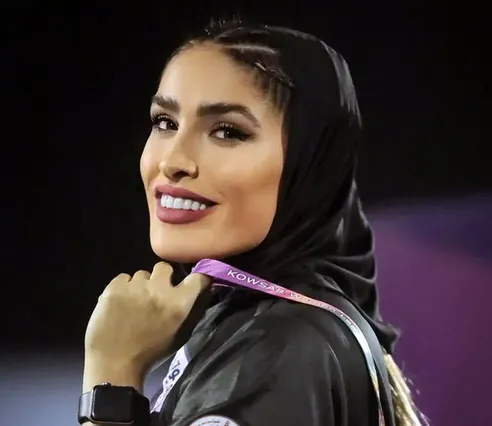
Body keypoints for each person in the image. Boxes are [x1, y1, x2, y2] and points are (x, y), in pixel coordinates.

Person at [81, 19, 424, 426]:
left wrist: (112, 373)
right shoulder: (269, 327)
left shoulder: (280, 348)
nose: (172, 161)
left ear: (309, 163)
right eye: (165, 123)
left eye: (227, 132)